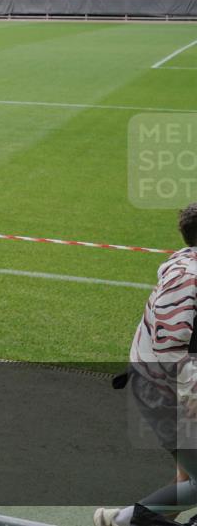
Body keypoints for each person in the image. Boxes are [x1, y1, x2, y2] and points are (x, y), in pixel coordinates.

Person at [95, 202, 197, 526]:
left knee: (189, 484)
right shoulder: (187, 279)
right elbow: (170, 350)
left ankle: (120, 520)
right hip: (166, 391)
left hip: (174, 387)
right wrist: (193, 396)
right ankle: (128, 522)